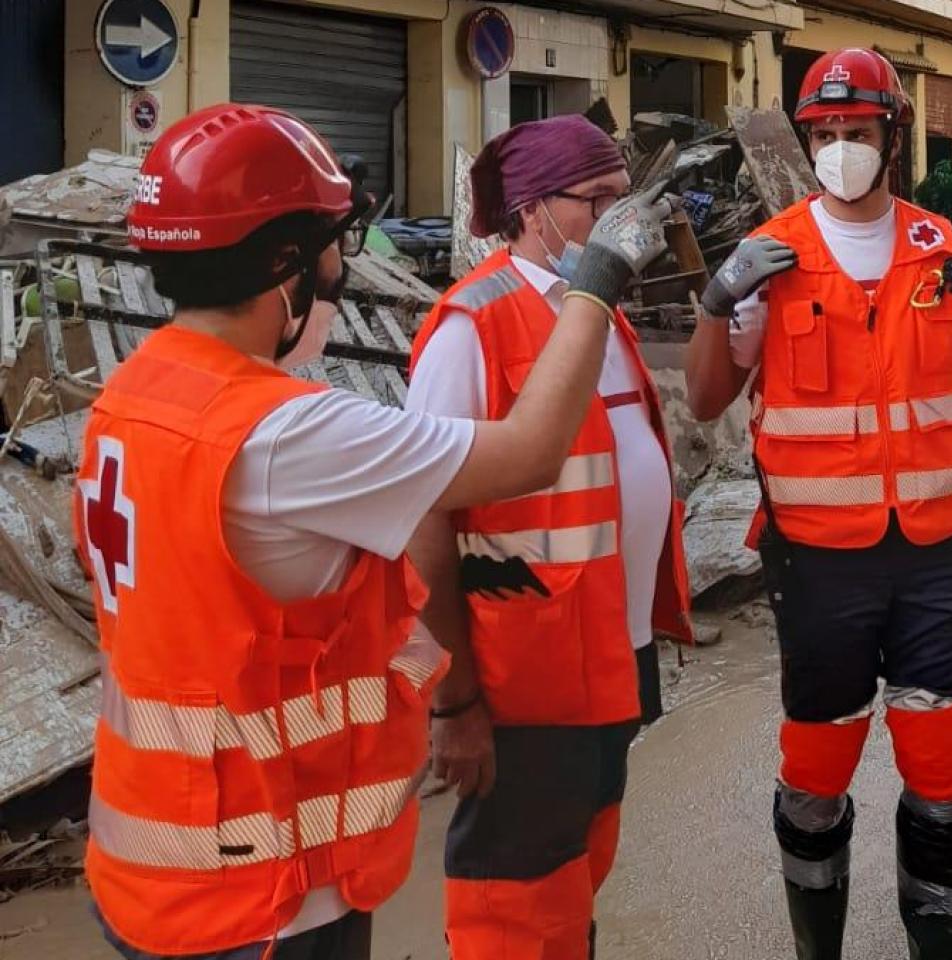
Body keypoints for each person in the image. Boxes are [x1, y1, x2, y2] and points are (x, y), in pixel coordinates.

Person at [77, 103, 676, 960]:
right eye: (332, 244)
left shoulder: (134, 396)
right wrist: (600, 279)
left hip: (153, 864)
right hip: (266, 892)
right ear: (284, 263)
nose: (339, 270)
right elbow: (530, 453)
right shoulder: (287, 434)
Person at [683, 47, 952, 960]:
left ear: (892, 137)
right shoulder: (774, 255)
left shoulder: (938, 247)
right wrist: (718, 303)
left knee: (944, 772)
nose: (840, 147)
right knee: (817, 772)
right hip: (820, 564)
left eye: (857, 131)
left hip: (933, 559)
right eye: (825, 133)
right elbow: (709, 398)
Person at [404, 115, 693, 960]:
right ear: (531, 210)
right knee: (515, 901)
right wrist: (451, 702)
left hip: (608, 658)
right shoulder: (474, 326)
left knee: (577, 872)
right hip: (522, 675)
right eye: (595, 201)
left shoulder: (593, 313)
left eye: (620, 200)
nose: (616, 224)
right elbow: (423, 519)